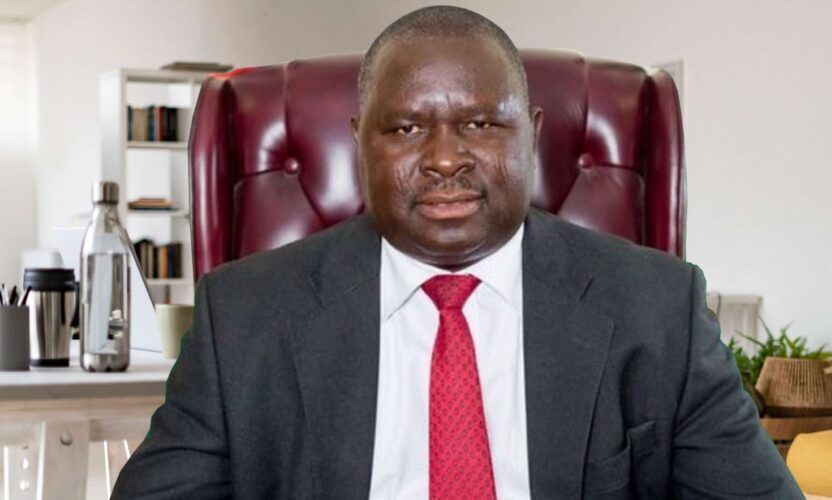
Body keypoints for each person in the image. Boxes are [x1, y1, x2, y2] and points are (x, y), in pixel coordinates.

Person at [113, 6, 801, 499]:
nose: (445, 158)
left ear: (531, 134)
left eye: (480, 123)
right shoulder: (245, 317)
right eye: (406, 128)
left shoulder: (658, 310)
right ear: (359, 143)